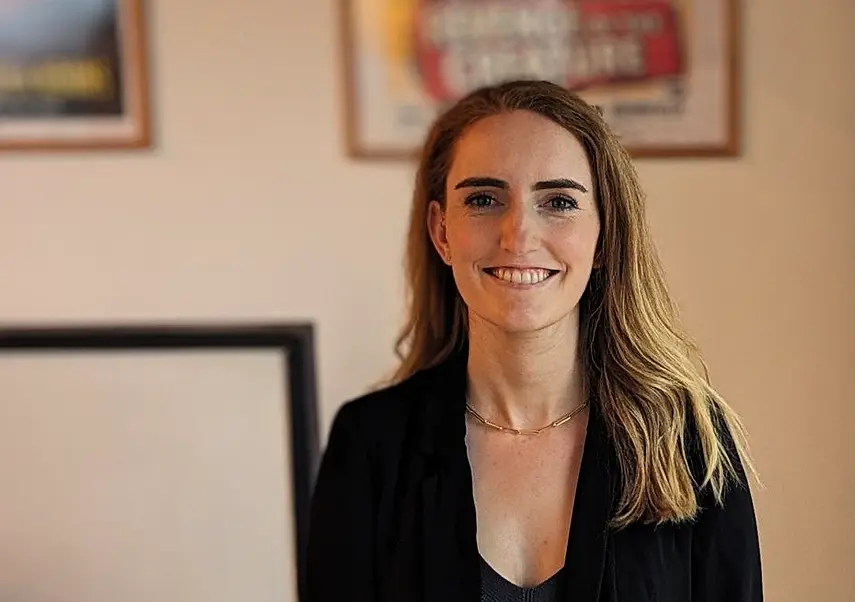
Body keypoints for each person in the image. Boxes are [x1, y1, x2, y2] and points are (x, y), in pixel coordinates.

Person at [304, 79, 763, 601]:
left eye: (559, 201)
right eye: (483, 198)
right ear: (442, 232)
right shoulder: (369, 445)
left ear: (604, 234)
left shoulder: (687, 442)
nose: (518, 235)